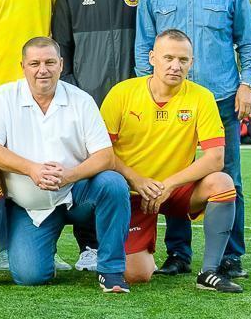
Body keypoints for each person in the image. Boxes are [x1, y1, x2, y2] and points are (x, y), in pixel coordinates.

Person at [135, 0, 251, 280]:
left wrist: (248, 83)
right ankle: (178, 253)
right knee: (174, 173)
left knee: (229, 175)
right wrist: (148, 90)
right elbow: (144, 43)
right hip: (170, 101)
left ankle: (231, 256)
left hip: (220, 97)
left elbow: (247, 39)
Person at [0, 37, 131, 292]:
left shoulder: (81, 100)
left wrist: (70, 175)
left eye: (49, 62)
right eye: (34, 63)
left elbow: (105, 155)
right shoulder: (3, 97)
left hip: (75, 194)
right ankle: (43, 251)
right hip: (31, 206)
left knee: (113, 184)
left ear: (61, 64)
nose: (42, 70)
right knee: (29, 275)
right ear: (23, 66)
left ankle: (111, 271)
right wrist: (31, 169)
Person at [101, 30, 242, 292]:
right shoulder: (122, 93)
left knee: (222, 182)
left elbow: (215, 158)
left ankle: (209, 272)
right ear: (152, 58)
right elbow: (102, 152)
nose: (175, 66)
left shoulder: (201, 97)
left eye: (183, 60)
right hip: (131, 193)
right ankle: (132, 247)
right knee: (136, 274)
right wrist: (137, 180)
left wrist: (168, 185)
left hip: (174, 190)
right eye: (168, 58)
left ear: (191, 62)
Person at [48, 0, 148, 271]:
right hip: (88, 99)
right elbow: (62, 46)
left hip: (135, 99)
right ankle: (89, 245)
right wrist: (73, 92)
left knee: (137, 167)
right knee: (90, 169)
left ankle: (142, 243)